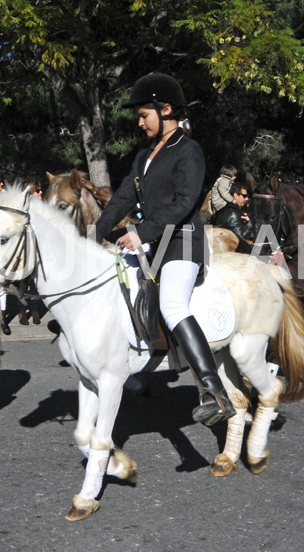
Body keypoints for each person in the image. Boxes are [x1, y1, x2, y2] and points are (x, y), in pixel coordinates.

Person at [93, 71, 234, 427]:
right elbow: (123, 196)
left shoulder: (189, 150)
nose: (140, 122)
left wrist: (142, 231)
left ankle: (213, 391)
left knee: (171, 305)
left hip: (182, 242)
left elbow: (185, 202)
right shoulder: (143, 157)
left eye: (144, 115)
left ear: (166, 109)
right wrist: (96, 232)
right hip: (155, 242)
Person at [212, 181, 256, 253]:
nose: (247, 199)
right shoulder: (232, 214)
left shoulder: (225, 210)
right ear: (235, 195)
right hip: (231, 254)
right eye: (244, 196)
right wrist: (250, 223)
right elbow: (241, 238)